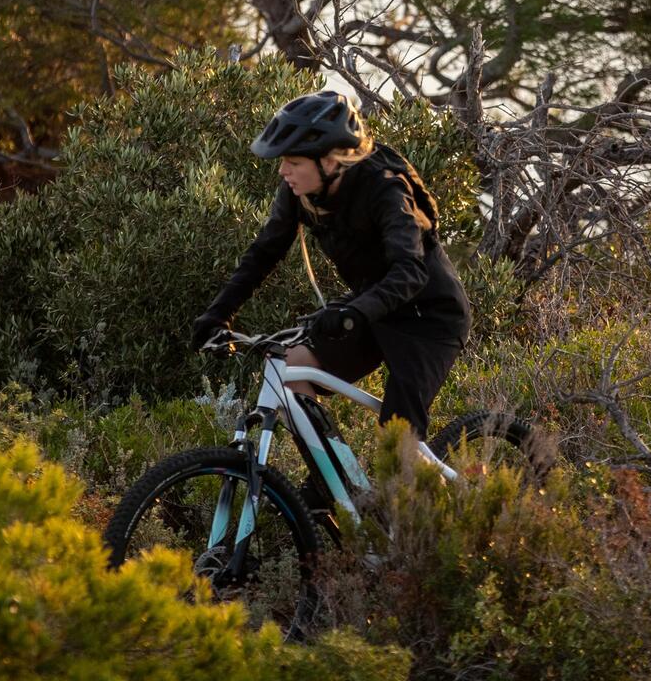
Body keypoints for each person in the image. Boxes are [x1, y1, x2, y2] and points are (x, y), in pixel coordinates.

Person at [190, 90, 471, 439]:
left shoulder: (385, 189)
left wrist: (352, 313)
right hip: (372, 308)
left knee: (397, 440)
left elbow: (410, 270)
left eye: (293, 161)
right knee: (289, 370)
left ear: (331, 161)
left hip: (428, 319)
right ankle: (331, 479)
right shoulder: (300, 194)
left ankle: (420, 489)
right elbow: (264, 253)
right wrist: (218, 313)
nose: (283, 170)